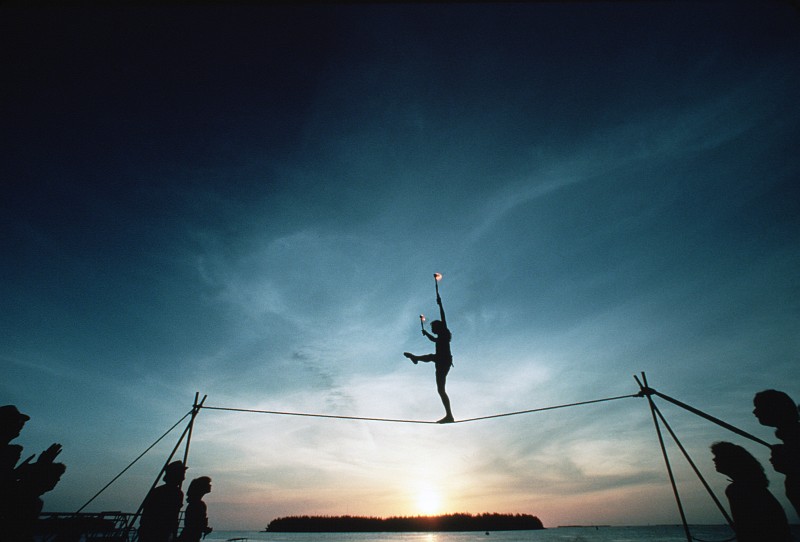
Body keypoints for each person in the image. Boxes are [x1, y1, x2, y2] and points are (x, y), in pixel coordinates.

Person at [711, 441, 791, 542]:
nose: (714, 459)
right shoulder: (755, 486)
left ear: (731, 460)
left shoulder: (738, 489)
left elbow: (745, 528)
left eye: (718, 456)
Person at [404, 291, 454, 423]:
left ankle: (416, 358)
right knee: (440, 390)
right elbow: (434, 340)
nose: (432, 330)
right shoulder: (440, 338)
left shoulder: (444, 332)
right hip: (442, 362)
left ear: (439, 327)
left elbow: (443, 317)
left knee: (432, 357)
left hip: (443, 360)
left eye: (433, 328)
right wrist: (426, 334)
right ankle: (449, 415)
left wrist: (440, 303)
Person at [753, 389, 800, 518]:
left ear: (775, 408)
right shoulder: (791, 439)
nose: (755, 412)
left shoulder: (794, 440)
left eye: (759, 407)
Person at [139, 461, 187, 542]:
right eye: (182, 474)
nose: (183, 478)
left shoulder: (158, 491)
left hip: (155, 532)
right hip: (157, 533)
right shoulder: (175, 493)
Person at [178, 476, 212, 542]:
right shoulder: (197, 504)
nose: (210, 485)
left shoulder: (195, 503)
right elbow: (194, 525)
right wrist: (204, 528)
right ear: (201, 487)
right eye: (208, 483)